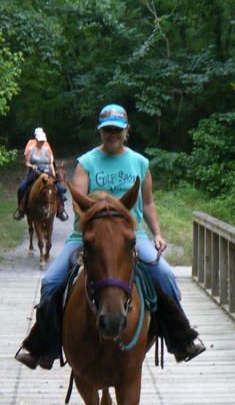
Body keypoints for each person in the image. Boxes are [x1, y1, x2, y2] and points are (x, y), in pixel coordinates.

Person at [15, 104, 205, 369]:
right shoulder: (87, 163)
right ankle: (44, 346)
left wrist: (158, 234)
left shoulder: (140, 163)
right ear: (100, 132)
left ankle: (180, 339)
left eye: (117, 129)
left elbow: (147, 203)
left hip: (131, 235)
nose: (112, 134)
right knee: (50, 282)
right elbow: (79, 204)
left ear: (126, 131)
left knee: (165, 275)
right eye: (107, 130)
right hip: (89, 235)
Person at [14, 127, 68, 221]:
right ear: (36, 139)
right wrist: (32, 166)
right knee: (22, 187)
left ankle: (60, 210)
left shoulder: (47, 147)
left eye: (43, 140)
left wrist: (53, 173)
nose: (42, 142)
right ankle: (21, 209)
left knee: (59, 188)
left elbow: (51, 162)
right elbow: (27, 162)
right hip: (35, 171)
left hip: (46, 171)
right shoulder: (31, 147)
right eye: (40, 140)